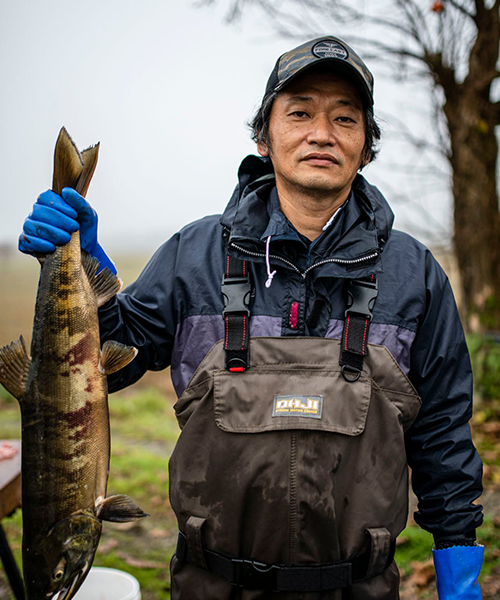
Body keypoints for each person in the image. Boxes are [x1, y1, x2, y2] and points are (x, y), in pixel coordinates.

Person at [19, 36, 484, 599]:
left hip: (360, 588)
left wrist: (459, 575)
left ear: (364, 146)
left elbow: (443, 438)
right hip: (214, 585)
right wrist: (82, 280)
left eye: (345, 117)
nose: (322, 133)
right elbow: (106, 368)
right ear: (264, 137)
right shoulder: (195, 256)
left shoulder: (415, 274)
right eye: (300, 112)